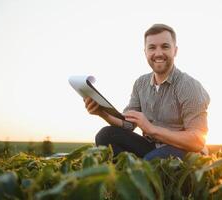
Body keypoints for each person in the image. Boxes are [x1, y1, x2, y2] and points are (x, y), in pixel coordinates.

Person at [84, 24, 210, 160]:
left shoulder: (189, 86)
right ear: (145, 52)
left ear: (175, 51)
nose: (158, 53)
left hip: (185, 149)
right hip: (152, 146)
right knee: (105, 135)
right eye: (152, 48)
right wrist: (102, 113)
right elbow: (128, 123)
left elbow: (197, 141)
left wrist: (151, 129)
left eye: (165, 46)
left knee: (151, 161)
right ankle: (131, 172)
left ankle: (142, 170)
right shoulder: (141, 83)